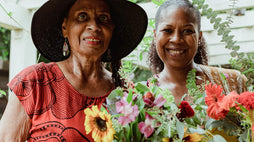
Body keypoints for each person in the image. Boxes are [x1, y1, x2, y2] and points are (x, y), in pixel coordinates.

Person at [0, 0, 147, 141]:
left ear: (112, 29)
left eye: (103, 18)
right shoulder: (35, 82)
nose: (94, 26)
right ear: (65, 27)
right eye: (82, 16)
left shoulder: (128, 93)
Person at [147, 0, 246, 141]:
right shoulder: (145, 98)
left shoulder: (233, 82)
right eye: (167, 30)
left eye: (187, 31)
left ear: (199, 37)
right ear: (155, 35)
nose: (176, 39)